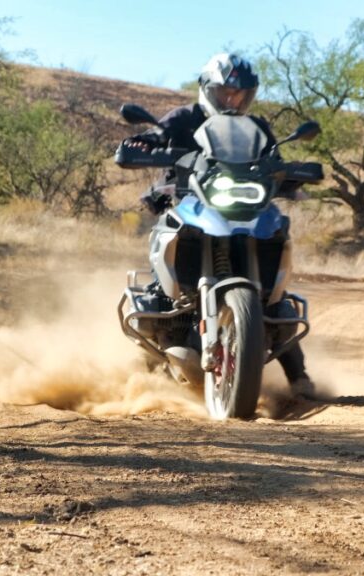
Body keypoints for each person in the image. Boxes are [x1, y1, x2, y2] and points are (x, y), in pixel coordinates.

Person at [124, 53, 317, 400]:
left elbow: (274, 160)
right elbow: (154, 137)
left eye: (240, 94)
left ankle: (299, 377)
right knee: (169, 242)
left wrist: (294, 172)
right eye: (225, 92)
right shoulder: (184, 118)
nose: (232, 99)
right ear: (208, 90)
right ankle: (158, 315)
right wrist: (142, 144)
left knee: (276, 294)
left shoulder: (256, 127)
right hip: (188, 200)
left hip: (242, 205)